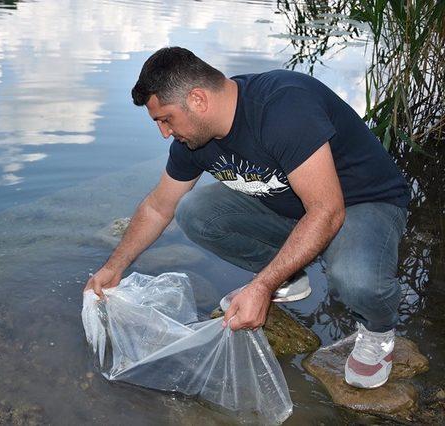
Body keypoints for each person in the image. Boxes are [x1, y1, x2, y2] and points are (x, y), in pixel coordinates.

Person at [84, 47, 409, 389]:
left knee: (355, 279)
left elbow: (328, 211)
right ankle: (289, 275)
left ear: (197, 100)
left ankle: (377, 330)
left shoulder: (283, 108)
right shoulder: (193, 142)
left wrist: (261, 287)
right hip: (290, 205)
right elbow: (157, 207)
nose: (165, 133)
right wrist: (114, 265)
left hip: (362, 201)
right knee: (195, 212)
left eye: (166, 119)